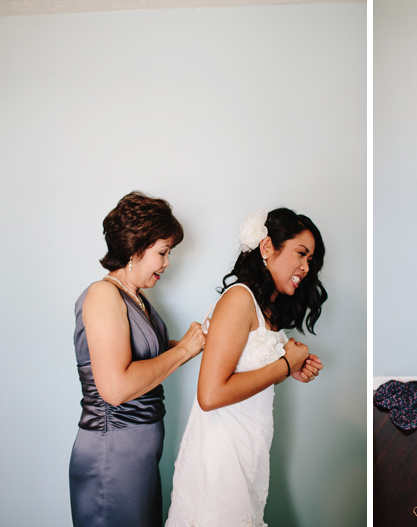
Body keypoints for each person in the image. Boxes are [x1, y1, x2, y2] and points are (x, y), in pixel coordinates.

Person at [165, 207, 327, 526]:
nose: (307, 267)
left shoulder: (266, 309)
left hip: (247, 449)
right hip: (220, 456)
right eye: (302, 254)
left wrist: (290, 368)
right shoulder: (239, 299)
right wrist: (283, 364)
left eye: (311, 260)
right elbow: (210, 395)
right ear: (267, 248)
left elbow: (242, 374)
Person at [69, 191, 206, 527]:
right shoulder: (102, 294)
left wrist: (204, 343)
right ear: (135, 249)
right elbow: (115, 388)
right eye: (163, 252)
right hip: (112, 457)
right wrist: (186, 349)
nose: (167, 262)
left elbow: (148, 356)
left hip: (138, 458)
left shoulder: (136, 297)